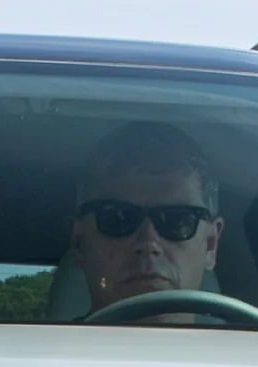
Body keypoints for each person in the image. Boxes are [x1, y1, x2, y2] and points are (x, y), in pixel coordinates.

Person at [59, 127, 237, 319]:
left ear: (211, 244)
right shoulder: (30, 347)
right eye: (118, 218)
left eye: (177, 220)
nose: (148, 242)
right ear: (78, 242)